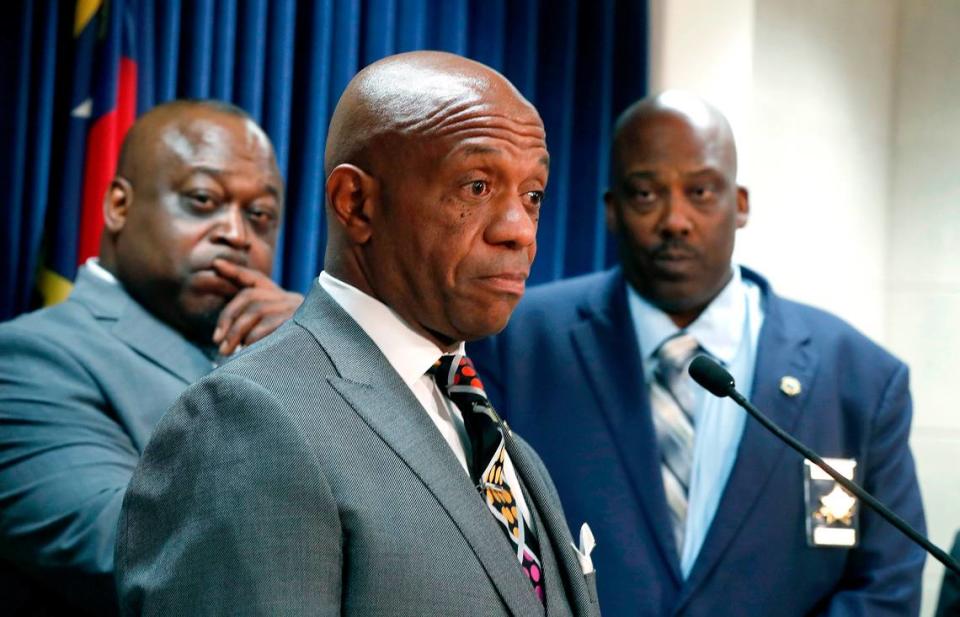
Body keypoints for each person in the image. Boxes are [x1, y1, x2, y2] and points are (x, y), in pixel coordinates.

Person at [115, 51, 600, 617]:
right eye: (475, 186)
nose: (519, 230)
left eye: (532, 195)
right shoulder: (250, 421)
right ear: (356, 204)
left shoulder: (498, 438)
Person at [470, 91, 926, 616]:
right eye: (645, 194)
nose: (675, 220)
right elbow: (481, 553)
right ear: (612, 212)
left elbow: (885, 589)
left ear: (742, 204)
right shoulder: (514, 345)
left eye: (702, 191)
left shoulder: (860, 379)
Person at [0, 99, 303, 616]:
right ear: (118, 206)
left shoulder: (293, 354)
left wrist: (316, 357)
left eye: (260, 215)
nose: (236, 233)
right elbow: (135, 559)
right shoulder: (27, 359)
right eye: (204, 199)